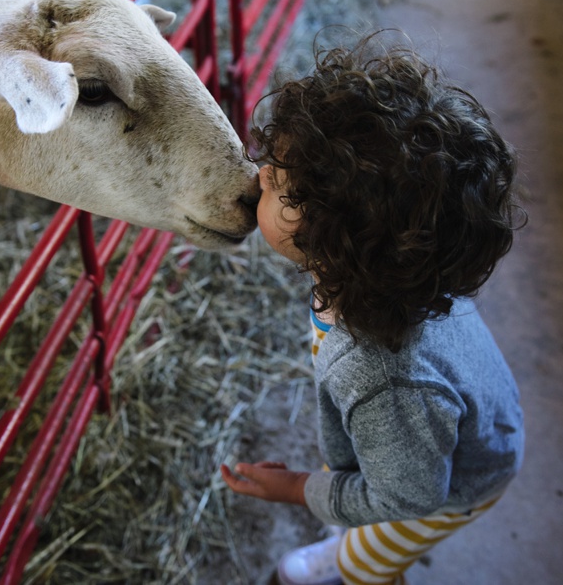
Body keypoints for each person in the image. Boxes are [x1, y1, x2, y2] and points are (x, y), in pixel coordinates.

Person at [221, 32, 525, 585]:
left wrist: (297, 489)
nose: (261, 173)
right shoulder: (391, 275)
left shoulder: (385, 377)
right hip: (422, 446)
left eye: (281, 185)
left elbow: (408, 494)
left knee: (367, 567)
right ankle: (352, 521)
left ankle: (352, 560)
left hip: (449, 486)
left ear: (337, 242)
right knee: (375, 478)